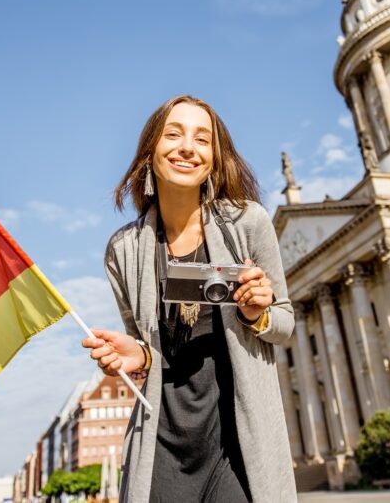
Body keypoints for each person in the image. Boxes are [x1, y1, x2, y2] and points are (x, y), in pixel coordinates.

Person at [82, 95, 297, 503]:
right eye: (173, 134)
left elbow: (284, 324)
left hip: (237, 443)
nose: (187, 148)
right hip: (164, 444)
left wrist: (257, 314)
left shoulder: (248, 222)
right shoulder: (122, 249)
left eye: (202, 139)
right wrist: (138, 356)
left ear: (215, 159)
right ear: (150, 151)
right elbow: (150, 352)